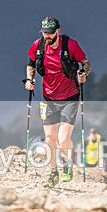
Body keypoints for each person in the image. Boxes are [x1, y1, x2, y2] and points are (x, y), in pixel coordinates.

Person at [24, 16, 92, 188]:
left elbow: (85, 63)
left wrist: (84, 73)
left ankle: (68, 163)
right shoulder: (38, 46)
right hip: (48, 98)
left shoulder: (70, 45)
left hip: (70, 97)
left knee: (63, 139)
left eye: (50, 33)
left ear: (57, 31)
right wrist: (29, 80)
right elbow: (30, 65)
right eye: (44, 33)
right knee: (49, 140)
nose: (47, 36)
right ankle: (54, 172)